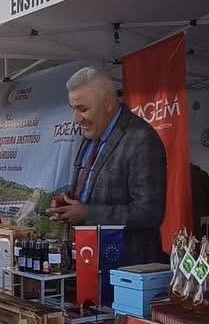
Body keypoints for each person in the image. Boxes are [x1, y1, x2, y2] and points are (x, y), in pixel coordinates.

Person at [51, 67, 167, 263]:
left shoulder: (141, 139)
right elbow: (92, 190)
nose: (76, 118)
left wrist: (87, 213)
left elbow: (149, 212)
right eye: (73, 108)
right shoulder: (91, 136)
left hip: (126, 266)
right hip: (89, 260)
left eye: (83, 109)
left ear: (108, 103)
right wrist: (67, 202)